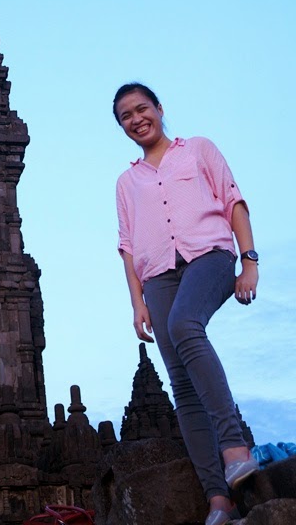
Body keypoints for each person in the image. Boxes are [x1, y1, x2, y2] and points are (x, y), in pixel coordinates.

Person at [113, 82, 260, 525]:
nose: (137, 119)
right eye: (126, 117)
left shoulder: (197, 150)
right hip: (157, 274)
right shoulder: (126, 181)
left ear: (159, 109)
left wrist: (249, 262)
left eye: (142, 109)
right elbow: (127, 245)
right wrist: (137, 302)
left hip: (210, 255)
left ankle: (235, 447)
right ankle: (219, 498)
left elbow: (234, 201)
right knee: (181, 387)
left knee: (184, 325)